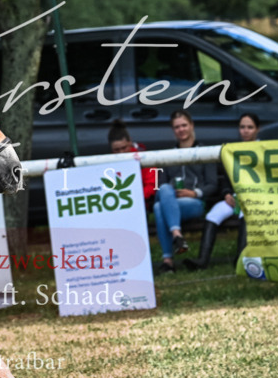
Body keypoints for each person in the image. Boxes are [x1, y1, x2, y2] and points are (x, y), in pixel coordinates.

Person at [184, 113, 259, 270]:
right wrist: (226, 194)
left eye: (250, 127)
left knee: (245, 215)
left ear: (257, 130)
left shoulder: (262, 150)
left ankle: (240, 259)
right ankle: (202, 260)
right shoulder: (233, 150)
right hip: (233, 198)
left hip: (254, 198)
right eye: (242, 127)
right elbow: (225, 179)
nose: (245, 131)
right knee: (213, 215)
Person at [153, 110, 218, 274]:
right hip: (171, 201)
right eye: (177, 127)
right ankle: (176, 236)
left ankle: (168, 260)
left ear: (191, 126)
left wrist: (195, 193)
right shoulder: (168, 155)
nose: (181, 129)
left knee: (159, 208)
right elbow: (158, 186)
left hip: (194, 203)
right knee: (161, 201)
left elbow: (212, 184)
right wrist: (169, 194)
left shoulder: (204, 151)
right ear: (173, 130)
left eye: (184, 125)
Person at [107, 120, 156, 205]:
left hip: (141, 204)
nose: (121, 152)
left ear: (130, 142)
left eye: (124, 148)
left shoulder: (143, 157)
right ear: (111, 149)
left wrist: (132, 199)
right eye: (116, 150)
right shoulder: (105, 163)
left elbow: (151, 186)